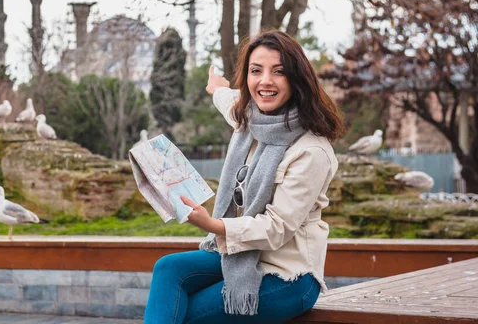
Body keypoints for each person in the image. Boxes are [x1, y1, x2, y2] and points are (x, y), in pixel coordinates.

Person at [144, 30, 346, 324]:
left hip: (288, 274)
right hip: (243, 255)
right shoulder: (250, 119)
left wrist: (212, 224)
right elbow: (229, 101)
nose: (265, 81)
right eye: (255, 71)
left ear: (297, 79)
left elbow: (278, 227)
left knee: (187, 315)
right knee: (168, 269)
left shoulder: (311, 151)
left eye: (278, 72)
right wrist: (216, 88)